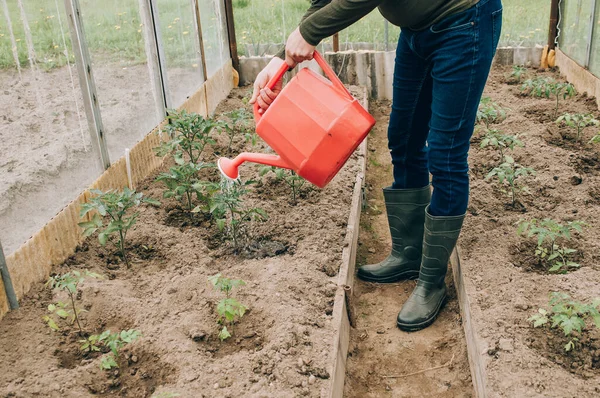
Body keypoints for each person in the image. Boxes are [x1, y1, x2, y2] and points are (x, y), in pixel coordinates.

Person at [250, 0, 502, 332]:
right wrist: (280, 57)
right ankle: (409, 253)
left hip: (463, 23)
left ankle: (431, 282)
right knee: (404, 134)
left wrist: (309, 32)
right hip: (416, 31)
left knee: (445, 153)